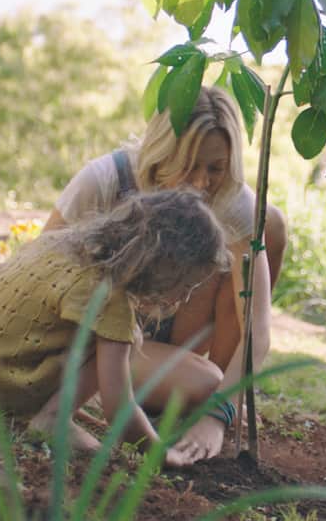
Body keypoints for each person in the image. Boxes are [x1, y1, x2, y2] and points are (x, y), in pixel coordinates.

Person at [41, 85, 285, 463]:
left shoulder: (233, 200)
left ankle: (203, 399)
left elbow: (258, 330)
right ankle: (102, 387)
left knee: (271, 224)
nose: (202, 183)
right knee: (206, 382)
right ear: (162, 153)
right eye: (189, 166)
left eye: (216, 168)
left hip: (161, 341)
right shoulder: (106, 179)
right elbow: (36, 270)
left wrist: (217, 416)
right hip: (93, 339)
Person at [0, 189, 231, 466]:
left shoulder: (56, 245)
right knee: (127, 337)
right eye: (186, 285)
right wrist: (161, 453)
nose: (185, 298)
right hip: (5, 393)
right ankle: (52, 418)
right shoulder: (109, 297)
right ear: (165, 265)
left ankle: (54, 406)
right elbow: (118, 408)